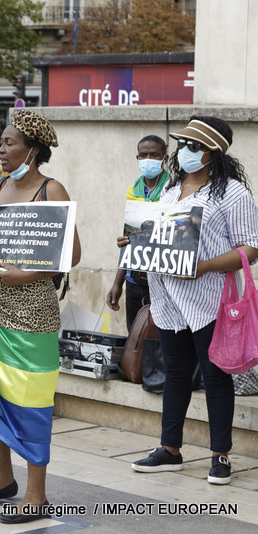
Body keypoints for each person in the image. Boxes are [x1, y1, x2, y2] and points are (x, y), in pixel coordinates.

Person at [0, 109, 81, 524]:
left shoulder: (51, 189)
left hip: (32, 314)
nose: (1, 149)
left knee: (31, 400)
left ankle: (36, 495)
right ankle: (2, 479)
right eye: (1, 142)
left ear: (33, 150)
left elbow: (72, 255)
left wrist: (25, 275)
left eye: (9, 143)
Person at [127, 116, 258, 486]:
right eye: (182, 144)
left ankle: (220, 455)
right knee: (175, 373)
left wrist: (205, 267)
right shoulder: (170, 191)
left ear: (212, 152)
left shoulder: (232, 193)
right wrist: (134, 241)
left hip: (209, 299)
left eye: (193, 145)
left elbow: (251, 247)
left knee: (215, 375)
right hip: (169, 301)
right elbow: (158, 237)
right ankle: (170, 449)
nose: (184, 150)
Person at [106, 135, 171, 331]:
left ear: (165, 158)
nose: (148, 159)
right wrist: (118, 283)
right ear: (137, 158)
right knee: (135, 336)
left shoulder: (174, 190)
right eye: (143, 155)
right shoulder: (133, 191)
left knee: (162, 339)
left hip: (164, 281)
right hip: (134, 279)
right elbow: (129, 238)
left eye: (154, 155)